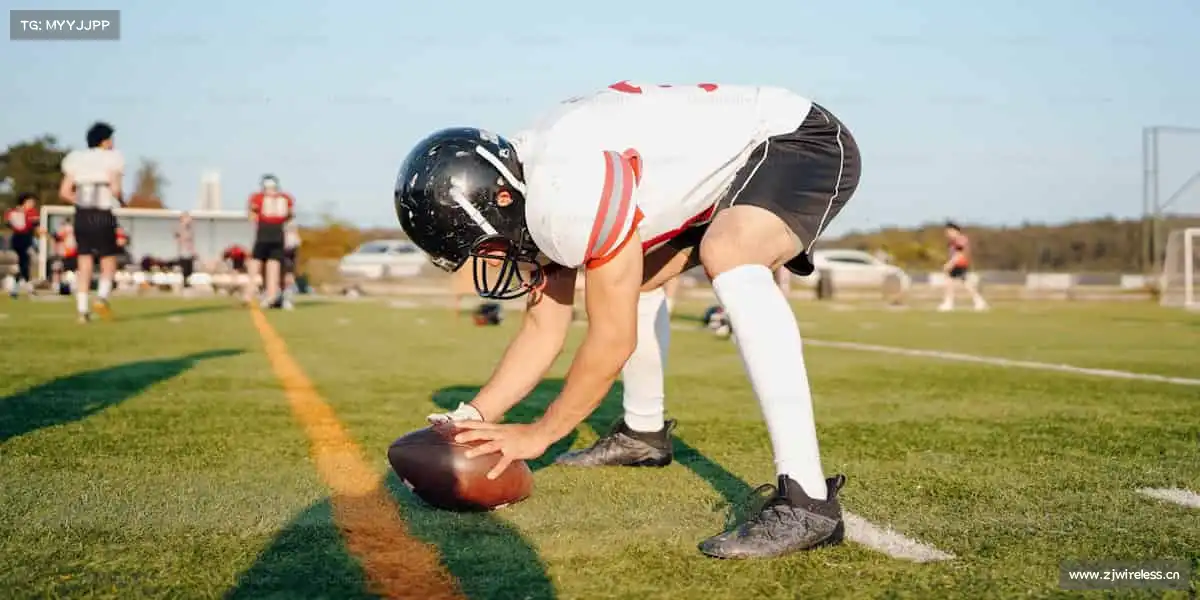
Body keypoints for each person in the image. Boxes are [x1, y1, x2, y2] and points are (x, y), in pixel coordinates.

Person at [396, 81, 861, 559]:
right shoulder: (529, 183)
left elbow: (612, 340)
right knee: (631, 281)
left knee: (731, 250)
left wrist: (542, 432)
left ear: (502, 202)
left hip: (793, 139)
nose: (494, 261)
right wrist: (473, 417)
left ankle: (808, 499)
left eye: (487, 246)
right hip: (717, 174)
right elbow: (543, 328)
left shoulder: (565, 189)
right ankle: (643, 433)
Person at [58, 121, 125, 323]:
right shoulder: (112, 159)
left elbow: (64, 192)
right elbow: (115, 189)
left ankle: (81, 311)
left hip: (82, 215)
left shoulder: (76, 159)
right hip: (102, 213)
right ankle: (102, 298)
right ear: (104, 141)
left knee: (84, 261)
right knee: (108, 259)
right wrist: (122, 201)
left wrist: (80, 202)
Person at [245, 174, 294, 309]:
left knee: (256, 263)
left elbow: (252, 214)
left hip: (264, 232)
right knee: (273, 265)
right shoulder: (285, 198)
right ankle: (271, 296)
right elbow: (289, 215)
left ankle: (250, 293)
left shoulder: (258, 198)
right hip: (278, 233)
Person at [938, 221, 988, 312]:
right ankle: (978, 301)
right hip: (957, 263)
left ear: (955, 230)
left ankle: (950, 302)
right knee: (957, 282)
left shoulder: (960, 239)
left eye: (949, 231)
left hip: (960, 263)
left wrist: (951, 263)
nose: (947, 234)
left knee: (957, 282)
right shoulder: (952, 241)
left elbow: (960, 253)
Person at [4, 192, 40, 298]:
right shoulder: (17, 212)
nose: (33, 203)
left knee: (24, 265)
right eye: (31, 201)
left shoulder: (29, 212)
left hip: (26, 240)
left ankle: (16, 290)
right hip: (21, 240)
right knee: (24, 265)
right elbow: (14, 225)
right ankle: (28, 289)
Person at [175, 212, 197, 292]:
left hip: (189, 253)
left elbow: (191, 242)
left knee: (190, 270)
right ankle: (184, 284)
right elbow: (178, 237)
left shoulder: (190, 230)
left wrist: (194, 251)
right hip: (183, 253)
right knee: (185, 270)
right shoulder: (180, 228)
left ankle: (187, 283)